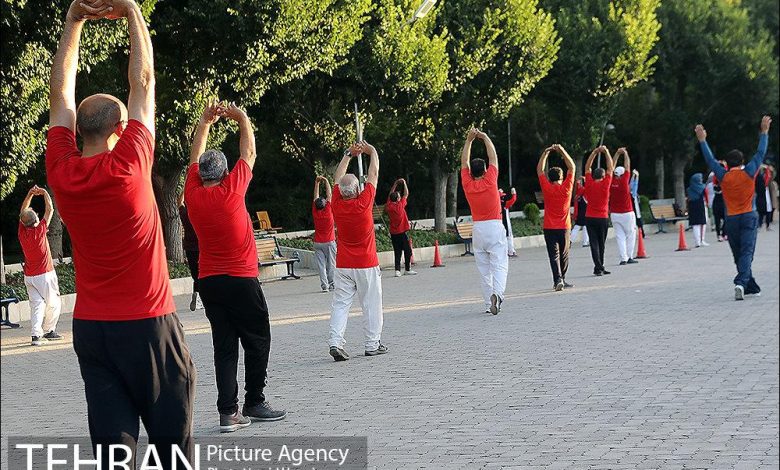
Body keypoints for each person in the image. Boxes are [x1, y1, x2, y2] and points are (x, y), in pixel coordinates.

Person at [45, 0, 196, 464]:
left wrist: (73, 20)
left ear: (78, 131)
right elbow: (143, 82)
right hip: (149, 325)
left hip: (93, 330)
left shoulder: (61, 172)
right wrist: (132, 9)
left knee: (115, 456)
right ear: (118, 127)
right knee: (175, 453)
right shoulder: (131, 163)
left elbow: (59, 98)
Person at [185, 100, 287, 431]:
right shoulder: (232, 189)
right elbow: (249, 153)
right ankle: (255, 402)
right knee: (258, 340)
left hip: (210, 281)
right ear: (226, 173)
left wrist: (204, 123)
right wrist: (242, 117)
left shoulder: (193, 194)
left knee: (225, 348)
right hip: (241, 279)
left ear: (200, 174)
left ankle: (228, 413)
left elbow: (192, 158)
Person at [695, 115, 772, 300]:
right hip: (748, 216)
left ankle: (750, 285)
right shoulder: (749, 172)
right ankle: (741, 282)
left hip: (731, 219)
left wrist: (702, 141)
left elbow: (710, 160)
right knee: (747, 252)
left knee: (738, 254)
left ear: (727, 164)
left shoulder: (723, 176)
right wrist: (764, 132)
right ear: (742, 161)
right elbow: (760, 154)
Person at [328, 141, 387, 361]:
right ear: (358, 190)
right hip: (366, 264)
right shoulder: (364, 201)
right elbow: (374, 172)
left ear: (341, 193)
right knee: (371, 304)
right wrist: (371, 150)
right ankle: (372, 344)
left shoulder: (336, 203)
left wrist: (348, 154)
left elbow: (337, 177)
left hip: (343, 263)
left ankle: (335, 342)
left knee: (341, 304)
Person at [460, 128, 508, 315]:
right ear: (486, 170)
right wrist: (485, 137)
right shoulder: (491, 180)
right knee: (500, 264)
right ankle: (498, 294)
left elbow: (463, 162)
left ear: (471, 171)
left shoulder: (467, 183)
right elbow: (493, 156)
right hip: (494, 226)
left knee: (483, 269)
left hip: (478, 228)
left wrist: (469, 140)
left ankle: (488, 304)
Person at [18, 186, 62, 346]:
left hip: (29, 276)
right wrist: (44, 193)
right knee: (54, 302)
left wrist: (30, 193)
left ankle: (36, 336)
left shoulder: (22, 231)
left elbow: (23, 213)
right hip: (45, 274)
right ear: (36, 219)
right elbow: (50, 209)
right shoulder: (40, 230)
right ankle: (49, 330)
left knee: (36, 305)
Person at [537, 144, 575, 291]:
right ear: (561, 177)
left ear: (550, 177)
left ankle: (557, 279)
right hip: (564, 227)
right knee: (564, 255)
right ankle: (562, 279)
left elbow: (539, 170)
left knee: (553, 255)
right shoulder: (567, 187)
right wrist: (562, 150)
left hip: (549, 227)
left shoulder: (546, 187)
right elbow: (571, 167)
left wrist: (546, 152)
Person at [583, 146, 615, 276]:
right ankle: (599, 266)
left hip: (590, 216)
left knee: (594, 243)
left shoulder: (589, 183)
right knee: (601, 244)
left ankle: (599, 267)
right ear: (603, 176)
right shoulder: (605, 184)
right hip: (602, 217)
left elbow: (587, 167)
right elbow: (610, 168)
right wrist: (607, 152)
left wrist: (594, 152)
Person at [609, 148, 638, 265]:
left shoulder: (610, 181)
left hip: (614, 214)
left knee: (619, 236)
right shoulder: (625, 181)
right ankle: (629, 256)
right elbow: (627, 166)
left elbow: (611, 167)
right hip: (627, 213)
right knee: (631, 235)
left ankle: (623, 258)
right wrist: (625, 153)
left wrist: (616, 154)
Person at [386, 178, 417, 277]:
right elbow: (406, 194)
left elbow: (390, 195)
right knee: (408, 251)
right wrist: (404, 183)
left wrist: (395, 184)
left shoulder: (389, 206)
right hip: (402, 232)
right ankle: (407, 269)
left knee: (397, 251)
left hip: (393, 233)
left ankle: (397, 270)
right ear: (398, 199)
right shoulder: (400, 206)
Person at [178, 191, 203, 310]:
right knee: (202, 273)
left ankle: (197, 294)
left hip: (189, 247)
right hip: (201, 247)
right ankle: (199, 296)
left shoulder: (186, 214)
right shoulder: (200, 213)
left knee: (195, 274)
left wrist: (184, 190)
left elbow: (179, 202)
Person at [312, 176, 337, 292]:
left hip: (318, 242)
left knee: (321, 265)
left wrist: (316, 183)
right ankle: (332, 284)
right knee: (331, 263)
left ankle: (324, 286)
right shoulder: (328, 210)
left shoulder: (315, 212)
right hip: (329, 241)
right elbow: (329, 194)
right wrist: (326, 181)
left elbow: (315, 197)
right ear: (325, 204)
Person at [687, 173, 709, 247]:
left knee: (695, 225)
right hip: (701, 206)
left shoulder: (689, 189)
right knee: (703, 223)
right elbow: (706, 196)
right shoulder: (702, 187)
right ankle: (702, 240)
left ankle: (697, 242)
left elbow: (688, 199)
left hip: (692, 207)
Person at [710, 161, 728, 242]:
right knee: (717, 219)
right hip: (718, 200)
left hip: (723, 201)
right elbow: (716, 189)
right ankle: (719, 235)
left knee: (726, 218)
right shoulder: (714, 177)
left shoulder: (725, 175)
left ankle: (724, 233)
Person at [570, 176, 590, 248]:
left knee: (577, 227)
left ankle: (570, 240)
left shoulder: (577, 195)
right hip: (585, 212)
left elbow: (578, 187)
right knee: (585, 227)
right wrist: (585, 180)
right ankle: (585, 242)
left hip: (578, 212)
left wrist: (578, 182)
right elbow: (587, 187)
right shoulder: (584, 192)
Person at [500, 188, 518, 257]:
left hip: (499, 223)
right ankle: (511, 251)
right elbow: (513, 200)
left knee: (502, 237)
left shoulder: (497, 204)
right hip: (506, 223)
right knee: (509, 236)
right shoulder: (505, 204)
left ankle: (505, 251)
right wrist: (514, 193)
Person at [755, 165, 774, 230]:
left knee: (766, 209)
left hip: (762, 194)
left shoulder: (762, 177)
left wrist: (767, 168)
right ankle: (761, 224)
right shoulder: (759, 177)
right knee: (761, 210)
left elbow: (769, 176)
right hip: (761, 194)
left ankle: (764, 224)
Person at [630, 170, 645, 238]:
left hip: (631, 210)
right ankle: (642, 233)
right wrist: (636, 176)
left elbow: (632, 184)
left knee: (634, 223)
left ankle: (641, 233)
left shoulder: (629, 194)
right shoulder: (633, 195)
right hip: (635, 210)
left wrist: (633, 176)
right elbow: (635, 185)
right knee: (638, 222)